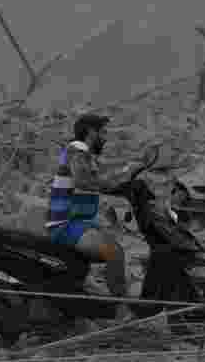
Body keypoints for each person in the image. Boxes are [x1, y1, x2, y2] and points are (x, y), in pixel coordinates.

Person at [48, 113, 139, 315]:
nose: (106, 138)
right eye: (103, 133)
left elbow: (102, 173)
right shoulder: (77, 150)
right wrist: (117, 182)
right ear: (91, 132)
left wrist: (130, 170)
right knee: (114, 252)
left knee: (116, 244)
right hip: (66, 225)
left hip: (79, 222)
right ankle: (121, 311)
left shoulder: (83, 154)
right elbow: (84, 180)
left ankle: (112, 300)